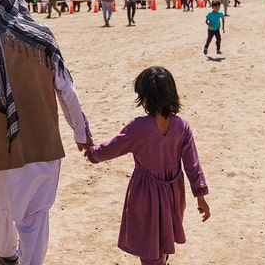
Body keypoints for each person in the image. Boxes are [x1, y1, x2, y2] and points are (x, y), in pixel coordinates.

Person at [0, 0, 93, 265]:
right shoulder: (43, 36)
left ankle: (5, 254)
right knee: (34, 217)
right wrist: (80, 131)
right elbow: (66, 89)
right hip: (44, 144)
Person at [84, 66, 210, 265]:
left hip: (145, 194)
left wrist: (91, 153)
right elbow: (192, 164)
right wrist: (200, 196)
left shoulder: (137, 127)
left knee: (149, 245)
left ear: (145, 98)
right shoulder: (182, 126)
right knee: (163, 238)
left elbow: (111, 148)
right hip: (173, 193)